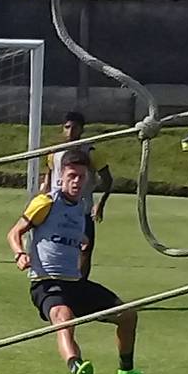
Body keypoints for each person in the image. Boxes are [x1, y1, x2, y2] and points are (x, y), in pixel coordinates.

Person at [8, 149, 152, 374]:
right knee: (64, 319)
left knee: (128, 315)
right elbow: (14, 232)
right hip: (46, 283)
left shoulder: (81, 208)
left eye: (81, 177)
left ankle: (126, 371)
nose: (76, 181)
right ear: (61, 178)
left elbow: (71, 233)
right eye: (71, 176)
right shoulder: (45, 203)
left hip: (75, 283)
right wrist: (20, 254)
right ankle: (76, 367)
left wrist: (81, 240)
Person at [40, 109, 114, 277]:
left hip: (82, 209)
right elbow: (49, 175)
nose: (70, 132)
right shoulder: (54, 152)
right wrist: (43, 194)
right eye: (67, 127)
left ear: (81, 129)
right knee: (54, 244)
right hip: (56, 208)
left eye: (74, 128)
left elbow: (108, 180)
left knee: (85, 248)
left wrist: (100, 203)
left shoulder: (91, 152)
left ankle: (81, 284)